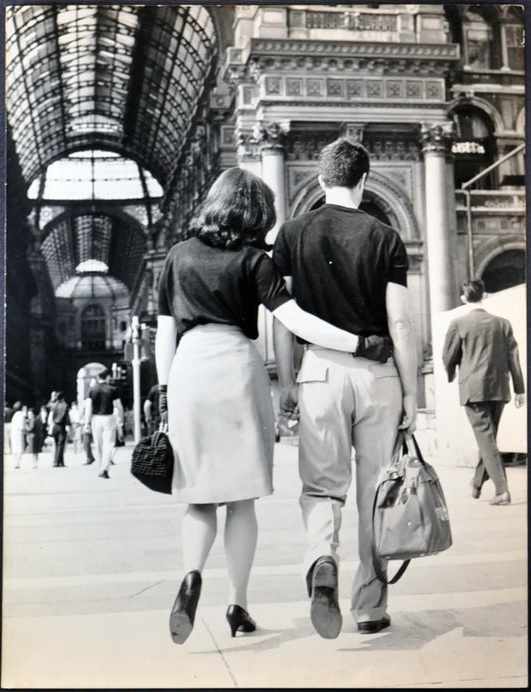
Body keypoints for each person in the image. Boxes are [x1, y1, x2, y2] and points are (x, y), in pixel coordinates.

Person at [155, 166, 389, 645]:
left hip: (189, 368)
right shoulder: (255, 260)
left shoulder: (177, 256)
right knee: (241, 500)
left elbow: (164, 334)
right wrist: (358, 343)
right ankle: (237, 605)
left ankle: (190, 578)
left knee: (199, 496)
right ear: (258, 213)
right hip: (238, 370)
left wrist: (163, 391)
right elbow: (296, 318)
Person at [273, 138, 417, 638]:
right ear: (363, 180)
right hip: (378, 377)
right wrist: (411, 392)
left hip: (319, 372)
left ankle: (321, 562)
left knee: (321, 487)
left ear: (320, 179)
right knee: (376, 494)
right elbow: (400, 322)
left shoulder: (291, 233)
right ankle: (371, 607)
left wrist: (287, 379)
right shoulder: (386, 236)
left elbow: (282, 318)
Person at [442, 279, 525, 505]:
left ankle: (502, 491)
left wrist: (453, 373)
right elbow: (513, 358)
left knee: (486, 439)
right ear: (484, 296)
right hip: (499, 388)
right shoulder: (503, 323)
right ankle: (478, 481)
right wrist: (520, 389)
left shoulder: (458, 323)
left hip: (473, 389)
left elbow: (448, 356)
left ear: (463, 298)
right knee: (488, 438)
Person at [83, 368, 125, 479]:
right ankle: (105, 468)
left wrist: (86, 422)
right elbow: (119, 406)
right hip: (109, 418)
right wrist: (120, 421)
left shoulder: (92, 390)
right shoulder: (113, 389)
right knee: (109, 444)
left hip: (96, 419)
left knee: (98, 444)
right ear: (107, 377)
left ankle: (100, 466)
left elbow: (88, 408)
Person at [48, 392, 70, 468]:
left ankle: (60, 461)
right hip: (61, 426)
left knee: (57, 444)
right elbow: (67, 417)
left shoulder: (54, 405)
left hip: (55, 425)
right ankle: (57, 461)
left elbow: (50, 410)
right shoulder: (65, 405)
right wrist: (68, 425)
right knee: (61, 444)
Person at [10, 402, 27, 469]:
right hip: (19, 432)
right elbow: (23, 426)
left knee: (15, 447)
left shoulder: (14, 415)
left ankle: (15, 462)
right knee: (20, 448)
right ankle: (17, 462)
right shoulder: (22, 415)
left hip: (13, 432)